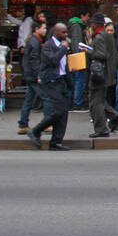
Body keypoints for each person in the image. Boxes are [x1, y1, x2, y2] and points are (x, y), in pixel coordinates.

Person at [28, 22, 73, 151]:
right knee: (58, 110)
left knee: (63, 112)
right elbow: (53, 61)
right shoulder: (47, 46)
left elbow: (64, 65)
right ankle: (36, 130)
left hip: (62, 81)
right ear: (56, 33)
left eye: (66, 32)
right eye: (63, 32)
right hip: (51, 81)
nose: (65, 35)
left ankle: (56, 142)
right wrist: (63, 49)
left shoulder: (64, 45)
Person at [87, 14, 118, 139]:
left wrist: (88, 51)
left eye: (92, 23)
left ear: (95, 24)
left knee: (95, 103)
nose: (91, 25)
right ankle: (115, 116)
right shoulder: (108, 36)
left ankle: (101, 129)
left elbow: (101, 55)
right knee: (101, 100)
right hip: (107, 73)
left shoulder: (99, 37)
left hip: (99, 74)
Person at [16, 18, 47, 135]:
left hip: (29, 74)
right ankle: (47, 123)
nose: (45, 30)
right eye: (43, 28)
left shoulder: (33, 40)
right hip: (33, 76)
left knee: (29, 100)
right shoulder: (34, 42)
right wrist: (39, 75)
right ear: (36, 29)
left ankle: (23, 124)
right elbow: (34, 61)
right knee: (45, 97)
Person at [66, 11, 88, 111]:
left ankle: (72, 101)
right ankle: (77, 102)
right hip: (77, 57)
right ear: (82, 15)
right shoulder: (76, 26)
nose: (88, 19)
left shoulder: (71, 24)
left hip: (71, 56)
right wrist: (78, 54)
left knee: (74, 80)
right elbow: (76, 42)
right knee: (79, 80)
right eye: (87, 16)